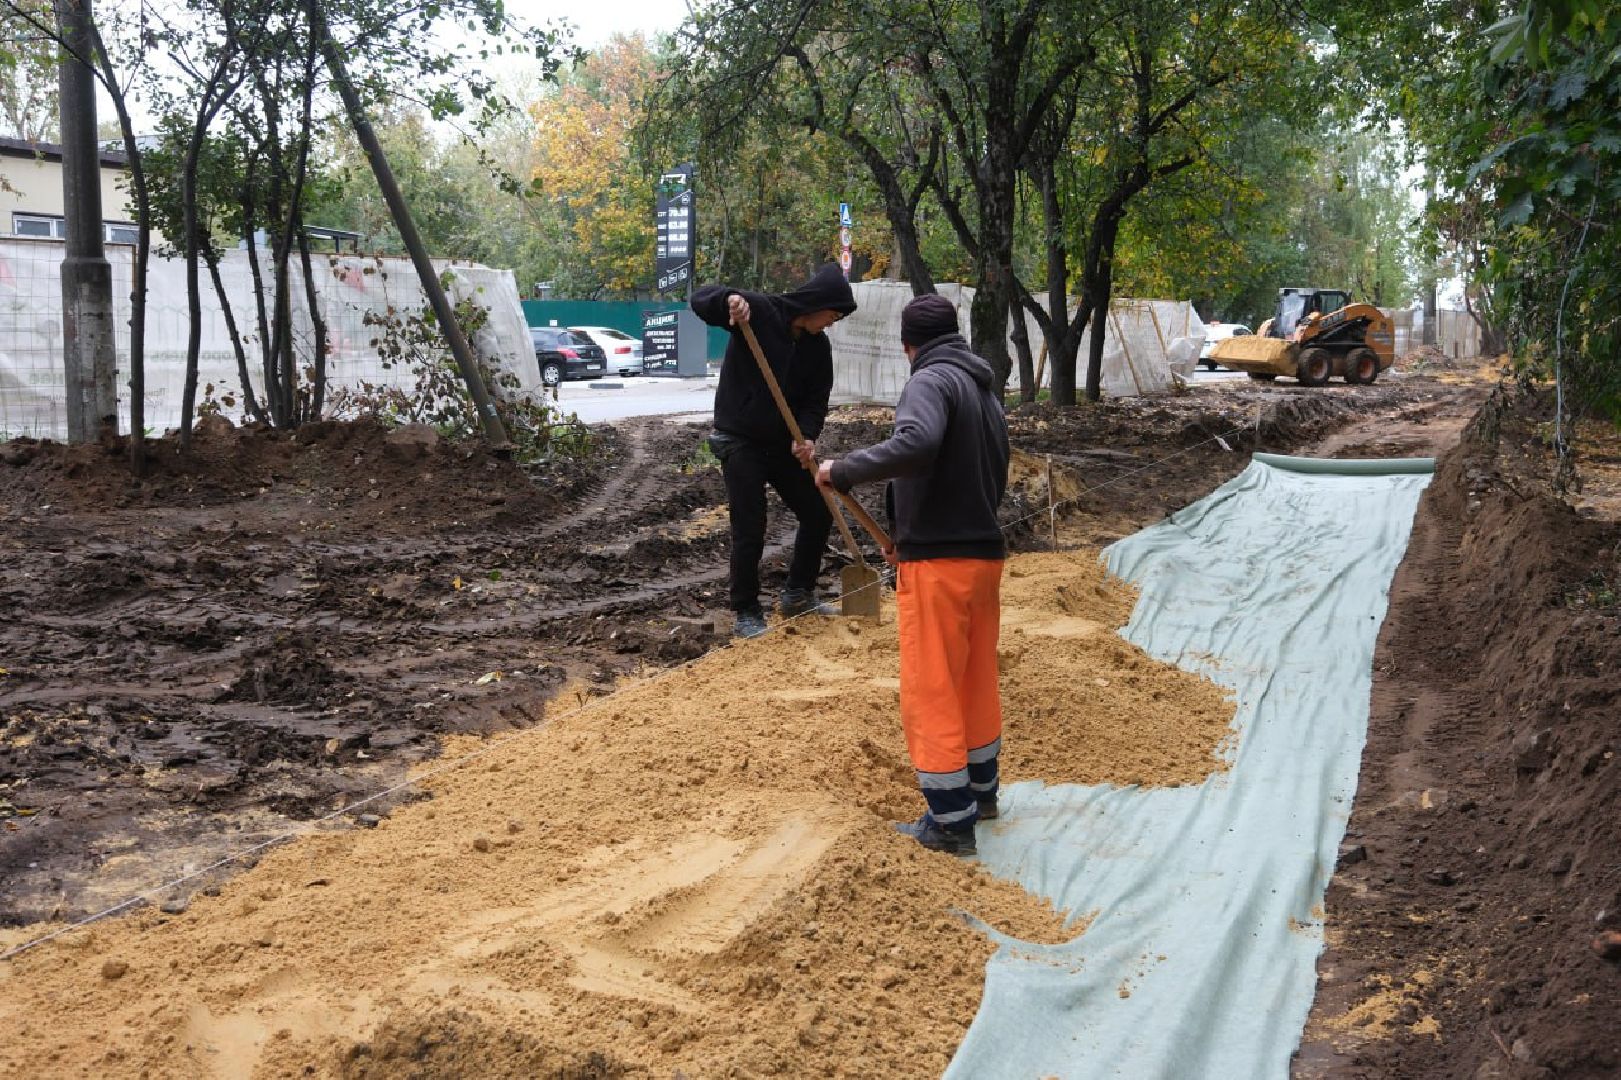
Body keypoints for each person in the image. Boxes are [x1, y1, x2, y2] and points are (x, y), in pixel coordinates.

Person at [816, 294, 1010, 856]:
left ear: (908, 346)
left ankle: (950, 821)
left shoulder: (930, 382)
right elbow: (986, 470)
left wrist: (842, 470)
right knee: (974, 680)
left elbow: (918, 443)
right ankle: (982, 792)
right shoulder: (982, 390)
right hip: (981, 558)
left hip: (941, 565)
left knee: (934, 687)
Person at [692, 264, 858, 639]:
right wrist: (728, 302)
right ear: (816, 305)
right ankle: (747, 610)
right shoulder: (761, 312)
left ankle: (798, 594)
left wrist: (809, 437)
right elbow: (700, 300)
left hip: (784, 444)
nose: (831, 323)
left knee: (818, 511)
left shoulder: (818, 347)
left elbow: (817, 401)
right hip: (741, 439)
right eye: (832, 315)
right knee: (750, 526)